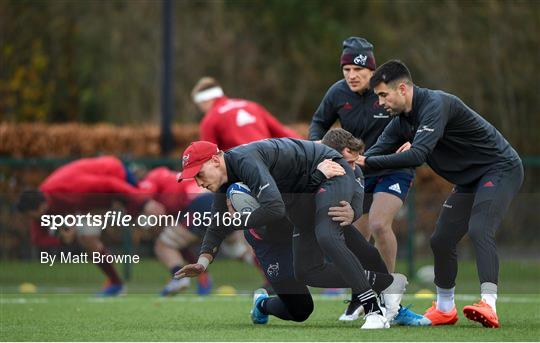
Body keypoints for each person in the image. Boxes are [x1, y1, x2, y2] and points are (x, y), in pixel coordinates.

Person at [175, 139, 409, 329]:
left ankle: (377, 309)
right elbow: (218, 224)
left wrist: (351, 204)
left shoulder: (246, 161)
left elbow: (275, 208)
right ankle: (389, 283)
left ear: (215, 160)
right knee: (303, 295)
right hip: (284, 223)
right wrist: (203, 262)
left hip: (323, 178)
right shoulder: (225, 181)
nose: (198, 183)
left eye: (199, 174)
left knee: (331, 236)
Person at [359, 60, 524, 328]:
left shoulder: (436, 104)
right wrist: (350, 164)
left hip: (499, 168)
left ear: (402, 89)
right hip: (469, 180)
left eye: (382, 95)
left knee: (480, 228)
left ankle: (489, 304)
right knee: (441, 240)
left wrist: (370, 162)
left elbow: (417, 155)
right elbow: (374, 156)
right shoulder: (401, 122)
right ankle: (445, 308)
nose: (379, 103)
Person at [309, 37, 415, 276]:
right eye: (346, 69)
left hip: (392, 168)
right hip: (357, 171)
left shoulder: (388, 90)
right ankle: (363, 293)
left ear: (372, 70)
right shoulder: (337, 92)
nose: (351, 75)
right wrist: (317, 142)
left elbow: (414, 115)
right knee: (356, 236)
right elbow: (318, 122)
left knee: (379, 224)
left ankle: (387, 289)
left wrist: (415, 140)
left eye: (358, 69)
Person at [17, 156, 166, 296]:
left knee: (155, 220)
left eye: (31, 216)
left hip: (116, 174)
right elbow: (38, 238)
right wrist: (62, 240)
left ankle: (179, 272)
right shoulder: (38, 204)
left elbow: (109, 183)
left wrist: (145, 201)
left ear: (41, 207)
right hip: (92, 202)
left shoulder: (65, 188)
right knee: (87, 238)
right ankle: (116, 284)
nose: (31, 221)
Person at [139, 166, 253, 296]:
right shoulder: (174, 178)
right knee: (236, 250)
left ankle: (179, 278)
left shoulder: (153, 177)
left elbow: (150, 205)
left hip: (201, 205)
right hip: (220, 202)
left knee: (164, 244)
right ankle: (270, 273)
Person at [191, 77, 302, 151]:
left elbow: (208, 157)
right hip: (272, 159)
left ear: (205, 101)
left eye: (200, 106)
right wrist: (310, 147)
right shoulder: (252, 106)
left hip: (243, 171)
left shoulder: (210, 119)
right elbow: (283, 132)